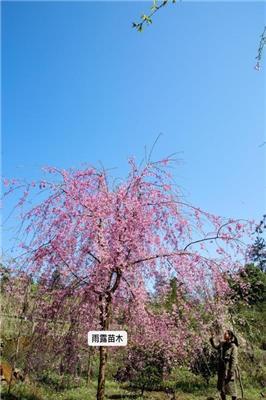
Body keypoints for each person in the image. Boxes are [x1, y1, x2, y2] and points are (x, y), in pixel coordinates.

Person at [210, 329, 239, 400]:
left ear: (230, 336)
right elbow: (215, 347)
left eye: (226, 334)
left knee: (232, 389)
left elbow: (233, 360)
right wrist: (212, 339)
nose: (224, 335)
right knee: (221, 388)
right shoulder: (222, 344)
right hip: (221, 369)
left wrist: (231, 371)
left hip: (228, 369)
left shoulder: (233, 347)